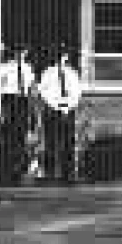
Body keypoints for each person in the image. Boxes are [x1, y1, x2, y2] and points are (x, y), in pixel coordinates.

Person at [0, 43, 36, 184]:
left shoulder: (28, 69)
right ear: (14, 53)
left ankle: (19, 171)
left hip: (23, 101)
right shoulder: (4, 68)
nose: (21, 55)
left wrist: (31, 109)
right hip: (8, 101)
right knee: (7, 137)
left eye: (23, 52)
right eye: (18, 52)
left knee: (21, 137)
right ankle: (5, 171)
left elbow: (31, 89)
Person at [37, 44, 83, 183]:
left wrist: (68, 105)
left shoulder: (72, 73)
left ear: (66, 57)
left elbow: (77, 92)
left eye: (63, 56)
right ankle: (50, 173)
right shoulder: (48, 73)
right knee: (51, 142)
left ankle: (68, 173)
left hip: (68, 110)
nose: (61, 59)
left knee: (68, 142)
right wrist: (57, 105)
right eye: (59, 56)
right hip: (53, 110)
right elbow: (45, 92)